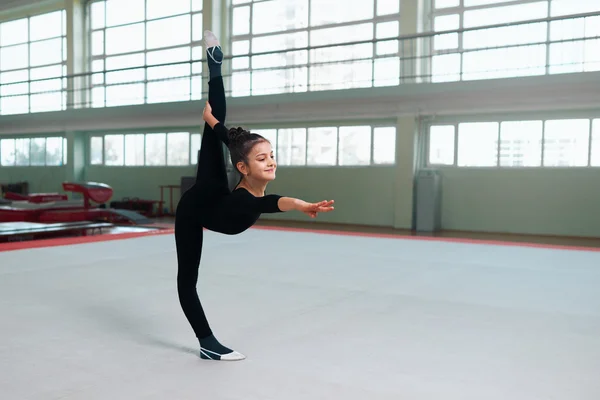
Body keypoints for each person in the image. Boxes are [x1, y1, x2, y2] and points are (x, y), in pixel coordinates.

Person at [174, 30, 335, 361]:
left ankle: (214, 65)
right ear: (243, 169)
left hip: (213, 190)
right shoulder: (245, 199)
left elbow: (234, 142)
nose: (271, 161)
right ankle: (207, 343)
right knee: (188, 279)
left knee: (214, 123)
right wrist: (302, 205)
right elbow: (274, 202)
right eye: (262, 159)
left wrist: (215, 125)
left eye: (271, 155)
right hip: (196, 207)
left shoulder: (244, 179)